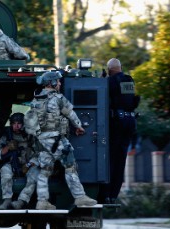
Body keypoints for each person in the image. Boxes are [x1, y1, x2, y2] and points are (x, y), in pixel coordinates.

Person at [26, 71, 97, 210]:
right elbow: (71, 114)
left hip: (41, 141)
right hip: (57, 140)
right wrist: (79, 127)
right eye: (57, 81)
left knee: (45, 170)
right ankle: (79, 197)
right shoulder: (58, 98)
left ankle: (42, 202)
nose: (59, 83)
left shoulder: (35, 101)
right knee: (70, 166)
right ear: (51, 83)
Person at [100, 58, 140, 204]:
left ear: (109, 70)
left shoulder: (109, 82)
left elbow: (103, 95)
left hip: (117, 123)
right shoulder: (129, 80)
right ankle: (113, 195)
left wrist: (102, 80)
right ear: (120, 68)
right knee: (121, 159)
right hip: (130, 122)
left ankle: (105, 194)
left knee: (110, 158)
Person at [0, 113, 40, 209]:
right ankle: (7, 200)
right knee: (5, 172)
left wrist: (28, 165)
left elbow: (38, 154)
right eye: (14, 123)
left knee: (35, 175)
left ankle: (21, 201)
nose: (16, 126)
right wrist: (8, 147)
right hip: (11, 163)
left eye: (19, 123)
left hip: (28, 164)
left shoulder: (31, 136)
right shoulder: (6, 136)